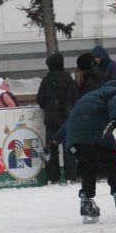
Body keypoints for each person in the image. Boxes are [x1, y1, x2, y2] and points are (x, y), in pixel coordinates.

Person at [53, 78, 116, 224]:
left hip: (75, 137)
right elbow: (115, 102)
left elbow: (71, 121)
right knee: (111, 161)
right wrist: (114, 120)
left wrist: (55, 140)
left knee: (88, 166)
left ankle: (86, 201)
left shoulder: (91, 96)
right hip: (96, 131)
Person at [36, 52, 79, 185]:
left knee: (51, 148)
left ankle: (53, 177)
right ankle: (71, 175)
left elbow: (41, 100)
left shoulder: (46, 80)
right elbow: (76, 98)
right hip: (68, 119)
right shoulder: (69, 80)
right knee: (69, 148)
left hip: (52, 120)